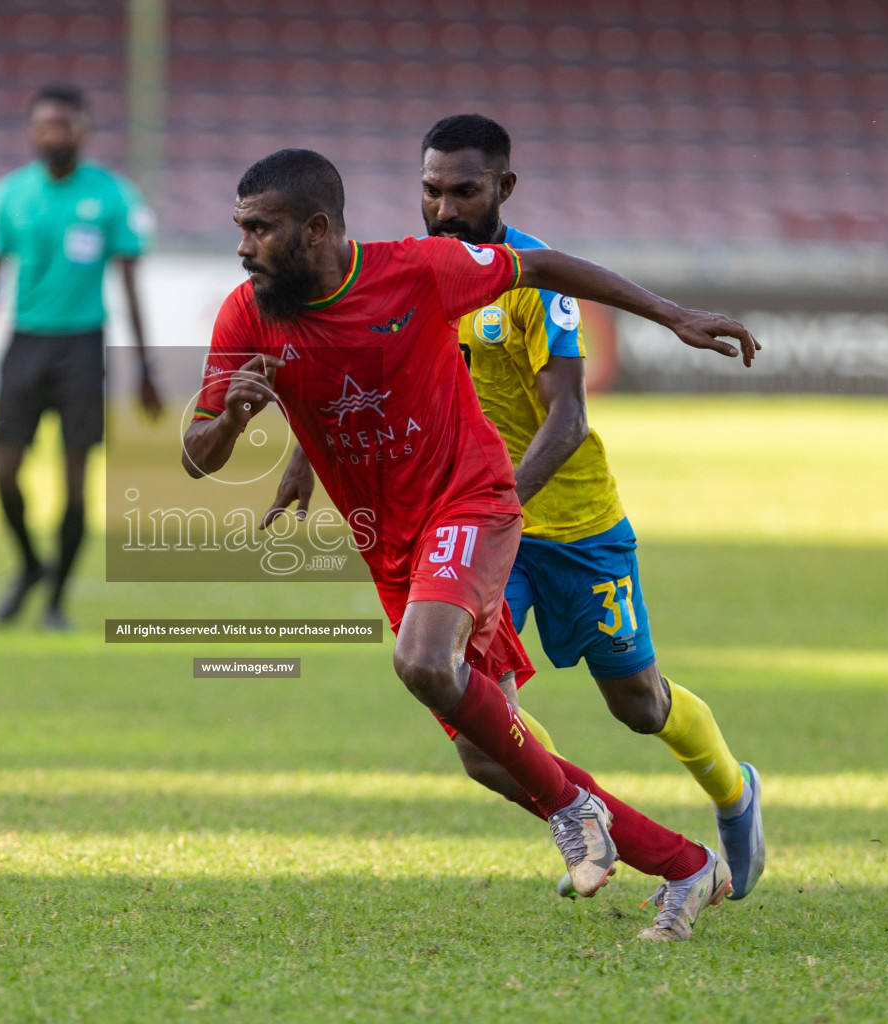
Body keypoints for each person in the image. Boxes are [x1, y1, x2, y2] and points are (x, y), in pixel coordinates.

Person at [183, 148, 759, 941]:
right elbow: (195, 455)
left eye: (260, 229)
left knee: (426, 664)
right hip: (392, 542)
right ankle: (687, 865)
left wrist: (673, 315)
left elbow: (544, 265)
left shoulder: (422, 271)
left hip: (472, 498)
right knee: (491, 755)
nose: (243, 247)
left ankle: (580, 810)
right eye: (240, 229)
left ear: (316, 229)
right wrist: (238, 421)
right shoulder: (246, 315)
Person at [0, 84, 162, 630]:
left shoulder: (113, 196)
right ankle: (29, 565)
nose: (56, 134)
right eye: (46, 124)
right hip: (23, 345)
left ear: (86, 130)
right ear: (31, 131)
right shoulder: (8, 195)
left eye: (66, 124)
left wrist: (146, 367)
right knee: (3, 472)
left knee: (75, 482)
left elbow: (132, 288)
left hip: (82, 347)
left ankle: (55, 601)